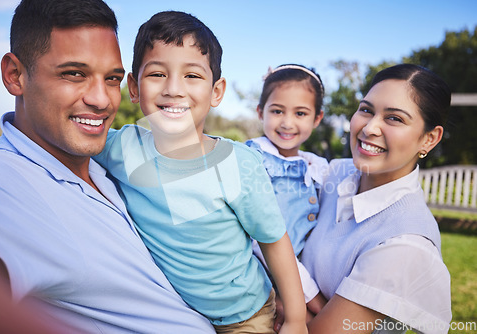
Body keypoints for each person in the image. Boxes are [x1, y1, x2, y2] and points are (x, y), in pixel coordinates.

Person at [0, 0, 216, 333]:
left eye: (112, 79)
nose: (102, 100)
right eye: (75, 74)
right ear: (15, 75)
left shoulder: (113, 166)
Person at [94, 11, 306, 334]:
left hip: (245, 314)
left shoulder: (239, 164)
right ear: (134, 88)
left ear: (216, 91)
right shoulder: (122, 147)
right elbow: (67, 143)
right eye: (157, 75)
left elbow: (274, 242)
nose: (174, 89)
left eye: (192, 76)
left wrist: (296, 318)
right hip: (175, 314)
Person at [301, 64, 452, 333]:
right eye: (366, 110)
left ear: (429, 139)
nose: (370, 128)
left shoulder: (406, 244)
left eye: (394, 118)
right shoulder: (333, 172)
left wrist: (281, 301)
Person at [245, 64, 329, 325]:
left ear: (317, 118)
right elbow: (261, 239)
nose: (287, 123)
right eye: (277, 111)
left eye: (301, 113)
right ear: (261, 112)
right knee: (318, 318)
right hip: (262, 274)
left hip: (297, 277)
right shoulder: (253, 159)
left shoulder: (316, 166)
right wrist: (312, 296)